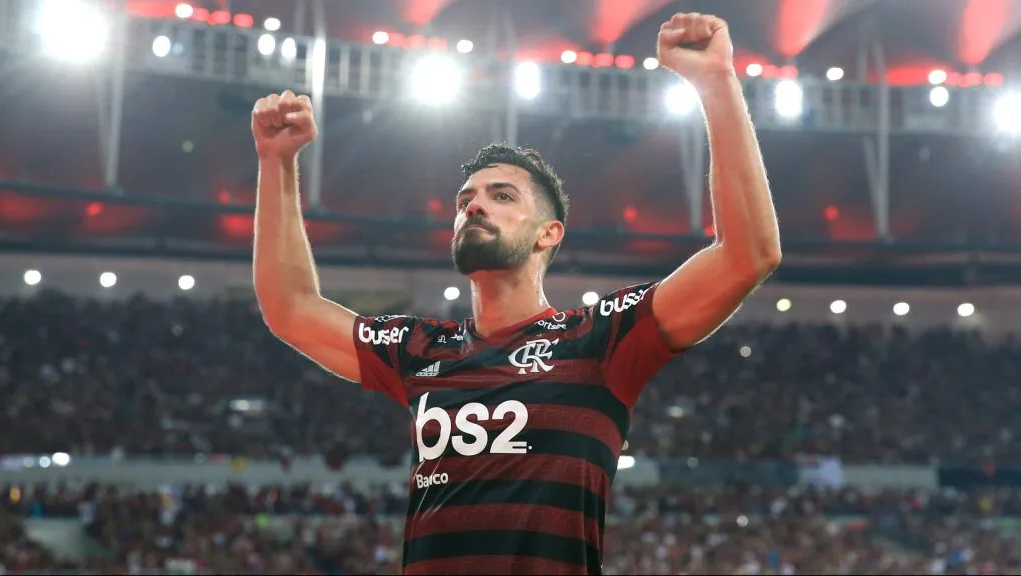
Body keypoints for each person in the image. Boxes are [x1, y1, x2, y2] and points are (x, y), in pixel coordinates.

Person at [251, 12, 780, 576]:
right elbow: (291, 308)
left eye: (501, 196)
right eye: (465, 199)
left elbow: (749, 255)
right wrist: (276, 162)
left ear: (548, 234)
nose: (473, 205)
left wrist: (716, 82)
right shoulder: (420, 349)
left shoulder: (598, 339)